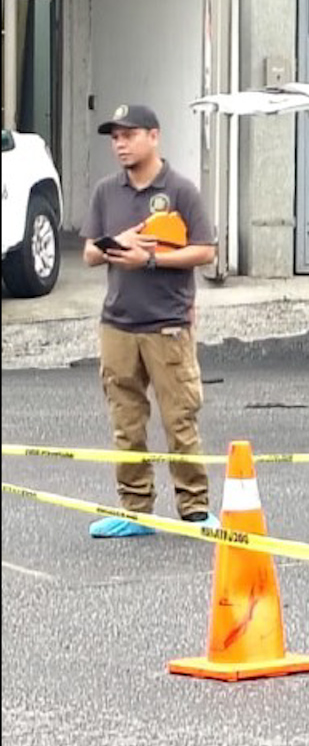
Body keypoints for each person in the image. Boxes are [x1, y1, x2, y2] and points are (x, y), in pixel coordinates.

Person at [78, 104, 220, 538]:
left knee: (180, 419)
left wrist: (151, 259)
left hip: (167, 324)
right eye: (114, 137)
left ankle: (195, 511)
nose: (120, 144)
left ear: (154, 136)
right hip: (118, 323)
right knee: (126, 421)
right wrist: (114, 245)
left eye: (129, 135)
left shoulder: (180, 190)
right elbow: (88, 254)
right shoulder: (107, 191)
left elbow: (206, 250)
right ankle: (135, 509)